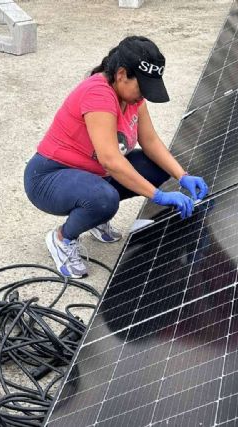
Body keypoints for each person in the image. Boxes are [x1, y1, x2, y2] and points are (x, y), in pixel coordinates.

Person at [24, 35, 209, 278]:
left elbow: (150, 141)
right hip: (49, 177)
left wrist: (183, 176)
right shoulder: (98, 94)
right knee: (104, 199)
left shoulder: (132, 97)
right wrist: (159, 196)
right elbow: (111, 160)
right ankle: (62, 238)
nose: (144, 95)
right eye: (141, 87)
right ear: (121, 74)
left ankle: (94, 217)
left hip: (91, 175)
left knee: (156, 167)